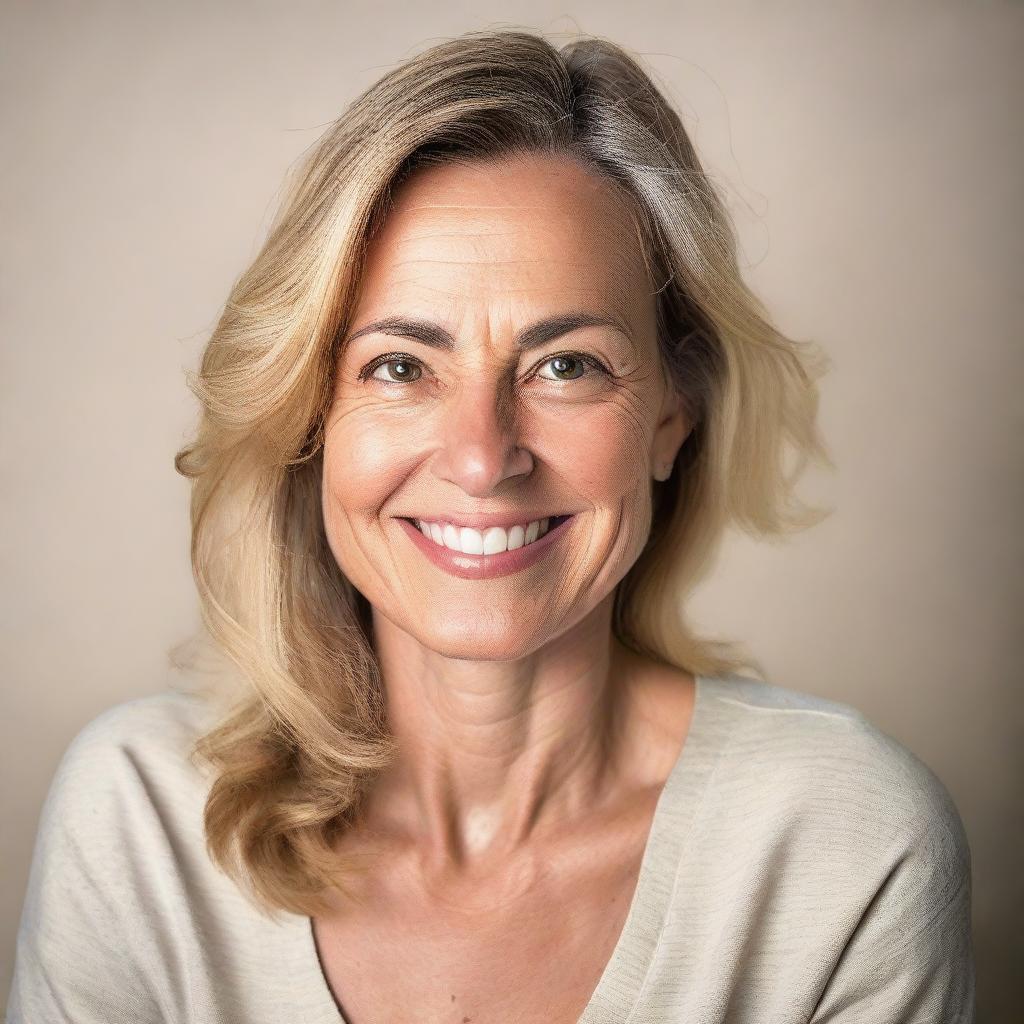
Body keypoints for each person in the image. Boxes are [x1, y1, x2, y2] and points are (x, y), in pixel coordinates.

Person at [7, 28, 975, 1024]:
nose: (481, 456)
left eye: (566, 365)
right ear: (310, 417)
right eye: (399, 367)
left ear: (669, 420)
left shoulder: (841, 844)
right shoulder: (140, 819)